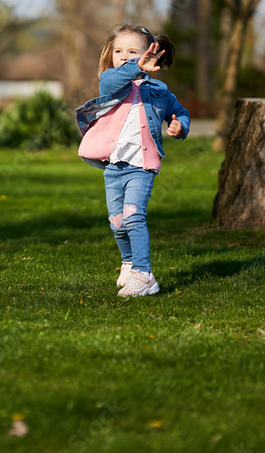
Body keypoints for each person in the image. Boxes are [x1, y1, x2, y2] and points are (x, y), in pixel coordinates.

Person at [74, 25, 191, 297]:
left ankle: (144, 273)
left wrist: (180, 127)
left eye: (132, 52)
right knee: (116, 221)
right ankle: (128, 263)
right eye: (119, 51)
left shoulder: (159, 90)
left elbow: (180, 112)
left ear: (150, 54)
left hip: (141, 165)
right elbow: (110, 82)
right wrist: (136, 66)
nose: (124, 56)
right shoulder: (112, 80)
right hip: (113, 165)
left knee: (133, 215)